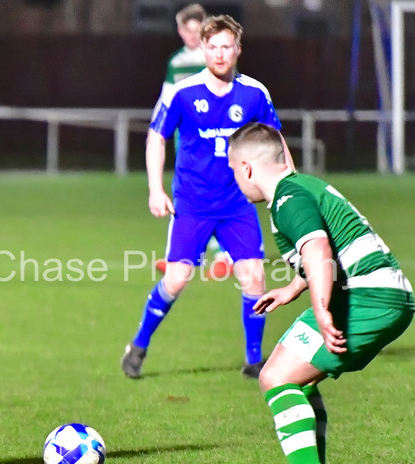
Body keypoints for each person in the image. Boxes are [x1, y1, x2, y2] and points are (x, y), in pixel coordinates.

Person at [226, 122, 415, 464]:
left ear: (246, 168)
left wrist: (323, 309)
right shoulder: (301, 187)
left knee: (275, 377)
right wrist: (293, 288)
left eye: (233, 171)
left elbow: (318, 248)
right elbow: (327, 249)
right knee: (299, 380)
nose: (235, 181)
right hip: (380, 292)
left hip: (368, 296)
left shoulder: (287, 199)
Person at [121, 15, 291, 380]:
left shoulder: (254, 93)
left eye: (226, 46)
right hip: (193, 204)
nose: (219, 54)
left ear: (238, 49)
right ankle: (138, 345)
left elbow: (275, 139)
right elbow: (156, 137)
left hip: (238, 204)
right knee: (176, 280)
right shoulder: (183, 92)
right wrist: (155, 188)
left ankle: (254, 360)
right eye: (212, 47)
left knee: (254, 278)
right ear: (203, 49)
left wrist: (287, 184)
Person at [152, 3, 232, 279]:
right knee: (188, 191)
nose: (191, 36)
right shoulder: (176, 62)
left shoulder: (216, 57)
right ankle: (186, 255)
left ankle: (221, 254)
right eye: (186, 31)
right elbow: (167, 97)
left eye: (195, 31)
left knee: (214, 191)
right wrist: (157, 127)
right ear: (179, 31)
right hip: (186, 137)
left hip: (215, 136)